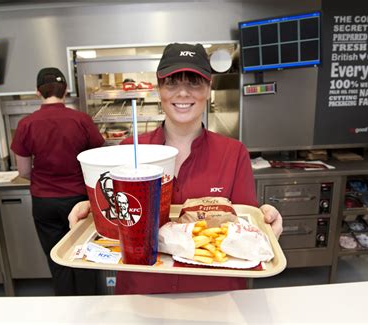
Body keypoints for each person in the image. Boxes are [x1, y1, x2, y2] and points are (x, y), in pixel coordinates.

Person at [68, 43, 283, 294]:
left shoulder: (233, 153)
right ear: (160, 89)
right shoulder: (129, 150)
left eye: (194, 82)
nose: (182, 93)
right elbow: (115, 215)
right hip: (143, 290)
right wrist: (92, 210)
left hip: (214, 294)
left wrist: (267, 222)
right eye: (172, 82)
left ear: (208, 88)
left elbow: (246, 224)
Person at [11, 67, 105, 295]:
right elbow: (98, 161)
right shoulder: (81, 120)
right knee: (84, 254)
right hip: (80, 200)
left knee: (57, 257)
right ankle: (90, 308)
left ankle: (66, 309)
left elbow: (23, 170)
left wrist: (46, 178)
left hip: (45, 202)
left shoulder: (26, 124)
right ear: (66, 91)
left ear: (37, 92)